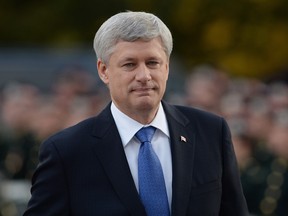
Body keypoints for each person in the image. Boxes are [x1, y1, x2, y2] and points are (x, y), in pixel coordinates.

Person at [24, 11, 249, 216]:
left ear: (167, 67)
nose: (144, 75)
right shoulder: (67, 151)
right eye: (130, 64)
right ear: (104, 71)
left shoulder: (210, 131)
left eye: (152, 63)